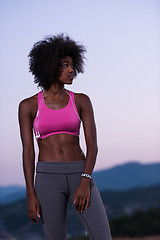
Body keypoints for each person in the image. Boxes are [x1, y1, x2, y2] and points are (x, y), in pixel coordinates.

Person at [18, 34, 112, 240]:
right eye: (65, 65)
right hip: (47, 178)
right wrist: (30, 193)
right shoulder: (28, 106)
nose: (72, 70)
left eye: (72, 65)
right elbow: (28, 152)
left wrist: (85, 180)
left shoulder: (81, 100)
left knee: (103, 236)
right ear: (50, 66)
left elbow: (92, 145)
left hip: (80, 172)